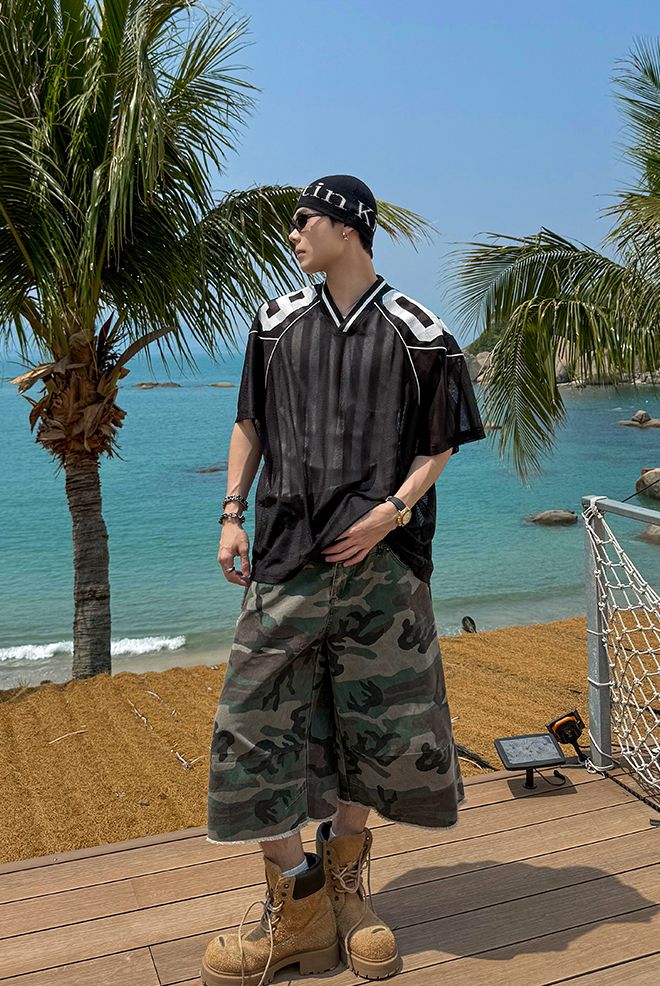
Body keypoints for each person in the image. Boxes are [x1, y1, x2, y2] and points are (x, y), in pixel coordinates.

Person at [202, 175, 486, 986]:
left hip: (384, 569)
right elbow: (250, 421)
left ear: (349, 228)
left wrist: (389, 514)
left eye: (306, 222)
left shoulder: (422, 333)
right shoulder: (275, 323)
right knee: (249, 723)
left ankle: (350, 897)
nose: (294, 235)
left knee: (376, 727)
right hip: (286, 556)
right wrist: (232, 513)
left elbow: (439, 444)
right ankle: (297, 904)